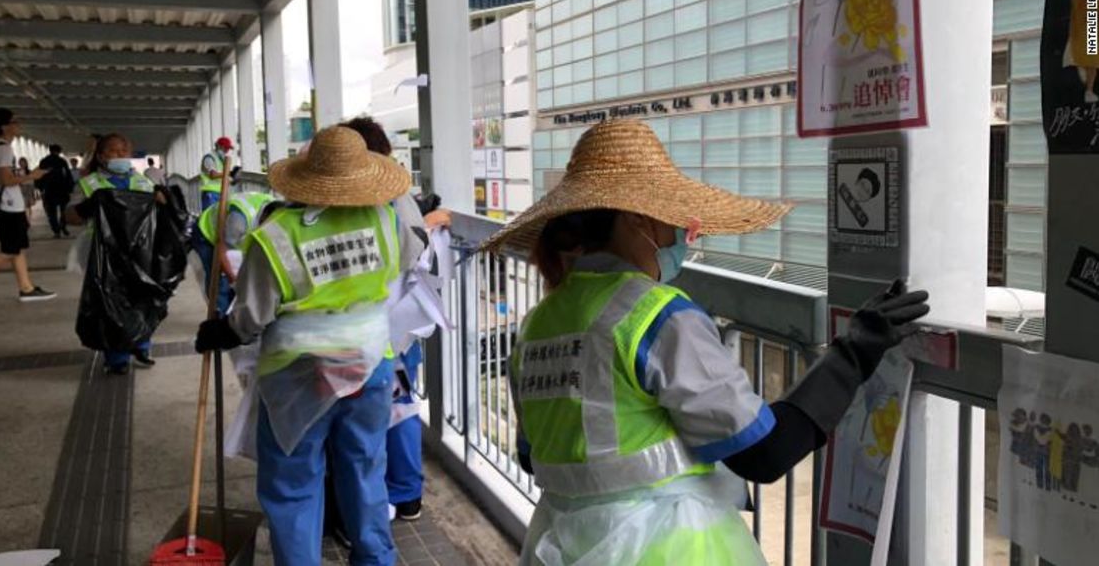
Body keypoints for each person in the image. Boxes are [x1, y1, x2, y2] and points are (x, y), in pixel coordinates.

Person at [478, 120, 931, 565]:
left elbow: (535, 459)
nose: (681, 237)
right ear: (638, 218)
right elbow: (765, 453)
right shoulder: (656, 315)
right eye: (672, 219)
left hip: (562, 543)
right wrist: (854, 354)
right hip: (666, 549)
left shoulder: (536, 326)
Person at [195, 126, 426, 566]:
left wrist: (221, 331)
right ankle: (376, 559)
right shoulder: (386, 219)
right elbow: (402, 266)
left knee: (293, 486)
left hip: (298, 377)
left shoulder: (276, 235)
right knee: (364, 472)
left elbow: (251, 317)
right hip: (371, 365)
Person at [339, 116, 441, 527]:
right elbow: (413, 250)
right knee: (401, 408)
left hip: (356, 330)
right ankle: (407, 495)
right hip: (401, 327)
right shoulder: (398, 197)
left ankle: (371, 508)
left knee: (362, 426)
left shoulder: (346, 200)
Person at [68, 133, 161, 374]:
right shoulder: (90, 184)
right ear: (100, 156)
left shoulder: (143, 183)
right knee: (109, 304)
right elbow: (69, 216)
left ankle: (141, 344)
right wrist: (87, 206)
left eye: (124, 151)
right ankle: (117, 357)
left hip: (138, 254)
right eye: (113, 151)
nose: (119, 155)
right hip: (102, 255)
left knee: (141, 298)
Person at [0, 108, 57, 302]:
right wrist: (31, 176)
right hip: (8, 207)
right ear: (4, 127)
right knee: (9, 250)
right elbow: (6, 180)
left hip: (11, 206)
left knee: (17, 248)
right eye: (14, 121)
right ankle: (26, 288)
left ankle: (26, 288)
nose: (19, 124)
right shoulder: (4, 149)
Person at [191, 191, 275, 316]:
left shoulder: (275, 208)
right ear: (263, 218)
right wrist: (235, 281)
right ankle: (221, 319)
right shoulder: (239, 222)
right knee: (221, 282)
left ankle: (234, 316)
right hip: (207, 234)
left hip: (235, 239)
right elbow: (223, 253)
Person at [37, 144, 75, 238]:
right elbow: (68, 175)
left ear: (50, 151)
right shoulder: (62, 161)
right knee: (63, 210)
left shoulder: (44, 161)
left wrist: (40, 188)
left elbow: (39, 176)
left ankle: (56, 231)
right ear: (59, 151)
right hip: (62, 190)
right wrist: (70, 188)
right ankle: (63, 227)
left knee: (51, 212)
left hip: (49, 190)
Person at [200, 136, 234, 210]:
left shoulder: (221, 160)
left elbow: (222, 175)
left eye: (228, 149)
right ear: (218, 146)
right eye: (225, 148)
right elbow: (213, 175)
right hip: (211, 194)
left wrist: (232, 178)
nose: (227, 151)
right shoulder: (209, 158)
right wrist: (229, 173)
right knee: (210, 218)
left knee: (218, 219)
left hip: (220, 193)